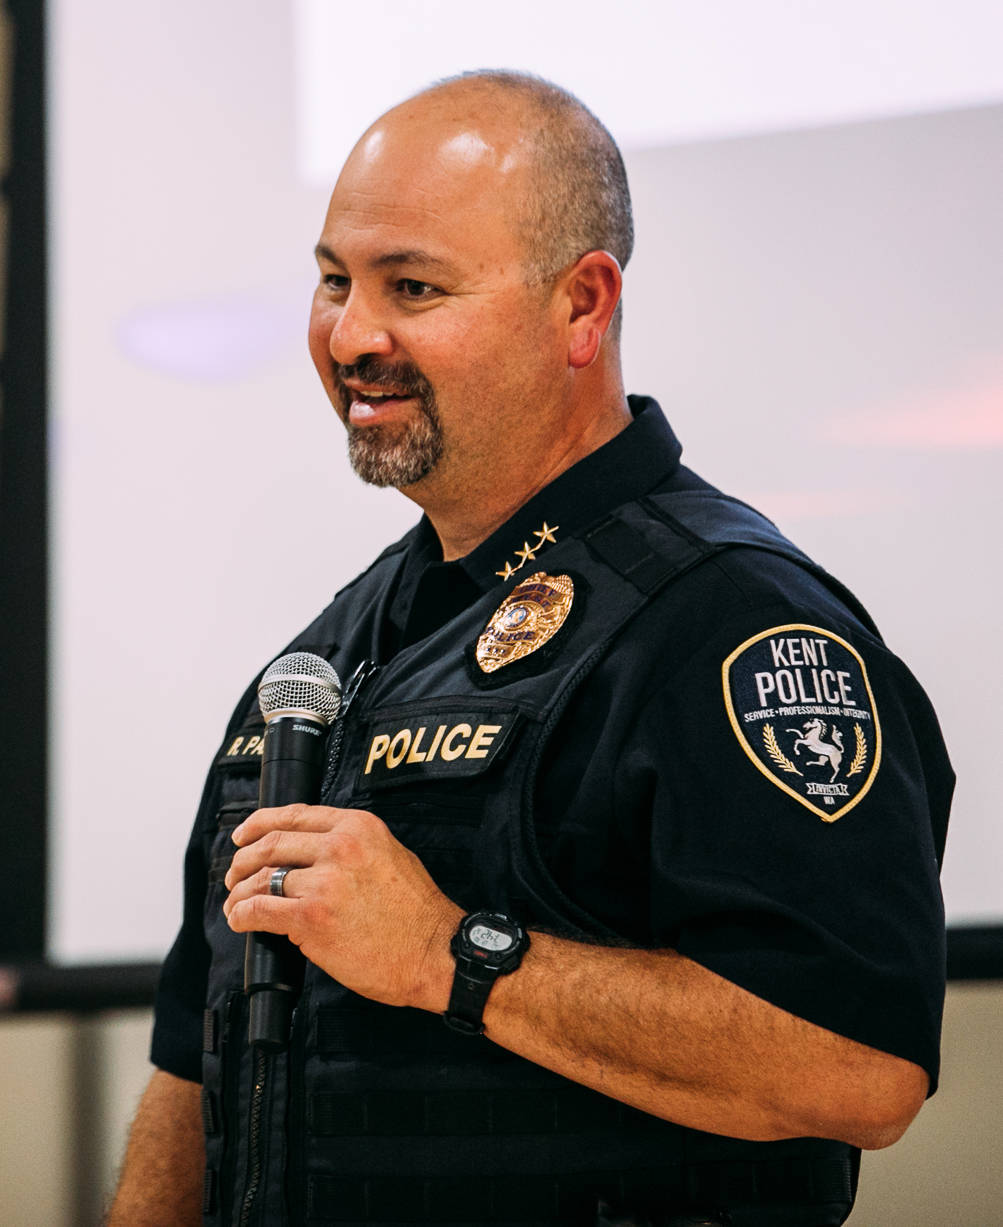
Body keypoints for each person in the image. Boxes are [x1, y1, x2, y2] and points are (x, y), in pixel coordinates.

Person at [108, 71, 951, 1227]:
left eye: (413, 286)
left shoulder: (730, 623)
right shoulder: (319, 664)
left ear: (582, 306)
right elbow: (193, 1067)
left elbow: (858, 1067)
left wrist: (452, 956)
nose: (352, 334)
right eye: (333, 279)